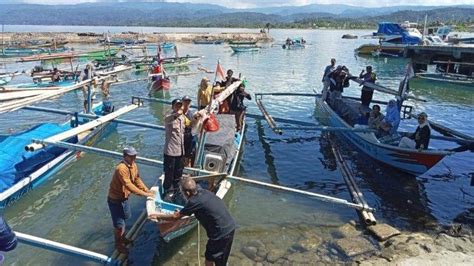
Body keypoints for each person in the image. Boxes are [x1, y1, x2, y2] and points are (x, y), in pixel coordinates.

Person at [149, 178, 236, 266]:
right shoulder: (205, 192)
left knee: (209, 259)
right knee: (222, 259)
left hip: (219, 234)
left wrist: (157, 216)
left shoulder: (194, 202)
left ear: (187, 193)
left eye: (183, 193)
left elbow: (175, 217)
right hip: (230, 227)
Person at [107, 147, 154, 254]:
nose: (134, 157)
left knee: (125, 218)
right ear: (125, 156)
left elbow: (137, 179)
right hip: (115, 200)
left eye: (134, 155)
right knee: (119, 225)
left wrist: (147, 189)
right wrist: (145, 194)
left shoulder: (133, 165)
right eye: (131, 156)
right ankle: (119, 245)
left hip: (124, 198)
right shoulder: (121, 168)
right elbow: (128, 185)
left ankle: (123, 238)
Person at [163, 98, 185, 195]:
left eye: (180, 105)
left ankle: (177, 190)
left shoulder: (183, 118)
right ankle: (168, 192)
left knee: (178, 172)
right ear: (172, 106)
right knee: (169, 174)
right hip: (171, 151)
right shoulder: (169, 117)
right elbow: (167, 119)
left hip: (180, 151)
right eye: (176, 105)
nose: (178, 108)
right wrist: (176, 114)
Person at [182, 95, 195, 167]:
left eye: (188, 102)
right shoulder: (178, 113)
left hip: (189, 136)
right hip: (180, 136)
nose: (187, 103)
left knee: (188, 155)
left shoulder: (192, 114)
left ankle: (187, 170)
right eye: (185, 101)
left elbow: (193, 125)